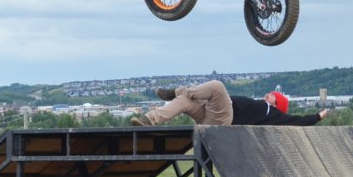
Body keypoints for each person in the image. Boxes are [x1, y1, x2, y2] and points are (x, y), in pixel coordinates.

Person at [131, 80, 327, 126]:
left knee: (217, 86)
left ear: (278, 104)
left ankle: (176, 91)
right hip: (210, 114)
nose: (268, 94)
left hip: (224, 118)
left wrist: (317, 116)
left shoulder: (274, 114)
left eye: (273, 95)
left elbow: (297, 121)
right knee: (184, 101)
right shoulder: (261, 105)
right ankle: (149, 119)